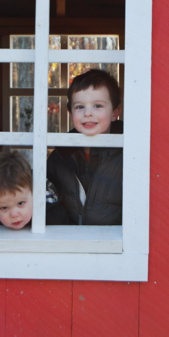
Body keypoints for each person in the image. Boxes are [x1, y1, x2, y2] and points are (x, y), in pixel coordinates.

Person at [47, 69, 123, 226]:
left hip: (114, 242)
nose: (88, 113)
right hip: (71, 241)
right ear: (70, 112)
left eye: (97, 106)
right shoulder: (61, 155)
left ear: (115, 112)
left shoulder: (127, 153)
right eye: (80, 107)